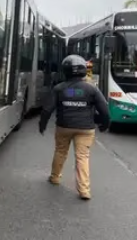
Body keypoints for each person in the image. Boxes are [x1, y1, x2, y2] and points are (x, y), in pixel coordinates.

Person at [38, 54, 111, 200]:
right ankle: (84, 190)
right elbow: (104, 110)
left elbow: (47, 109)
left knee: (60, 152)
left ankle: (55, 177)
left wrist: (42, 124)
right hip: (85, 129)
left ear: (65, 70)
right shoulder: (91, 89)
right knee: (82, 157)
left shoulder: (59, 88)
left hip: (63, 127)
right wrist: (104, 125)